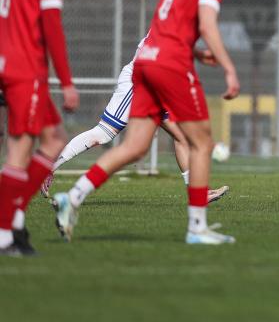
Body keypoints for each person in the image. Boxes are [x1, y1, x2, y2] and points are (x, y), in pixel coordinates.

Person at [53, 0, 240, 245]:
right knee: (199, 142)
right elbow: (207, 24)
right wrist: (228, 68)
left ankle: (73, 197)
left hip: (147, 62)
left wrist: (196, 52)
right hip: (170, 66)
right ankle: (197, 228)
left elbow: (168, 25)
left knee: (135, 147)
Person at [41, 34, 229, 203]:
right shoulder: (176, 18)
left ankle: (197, 193)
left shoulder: (179, 21)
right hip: (139, 82)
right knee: (104, 134)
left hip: (157, 84)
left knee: (181, 136)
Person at [0, 0, 80, 256]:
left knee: (54, 139)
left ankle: (15, 219)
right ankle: (5, 234)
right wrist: (67, 82)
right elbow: (51, 27)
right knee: (18, 152)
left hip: (9, 63)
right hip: (26, 69)